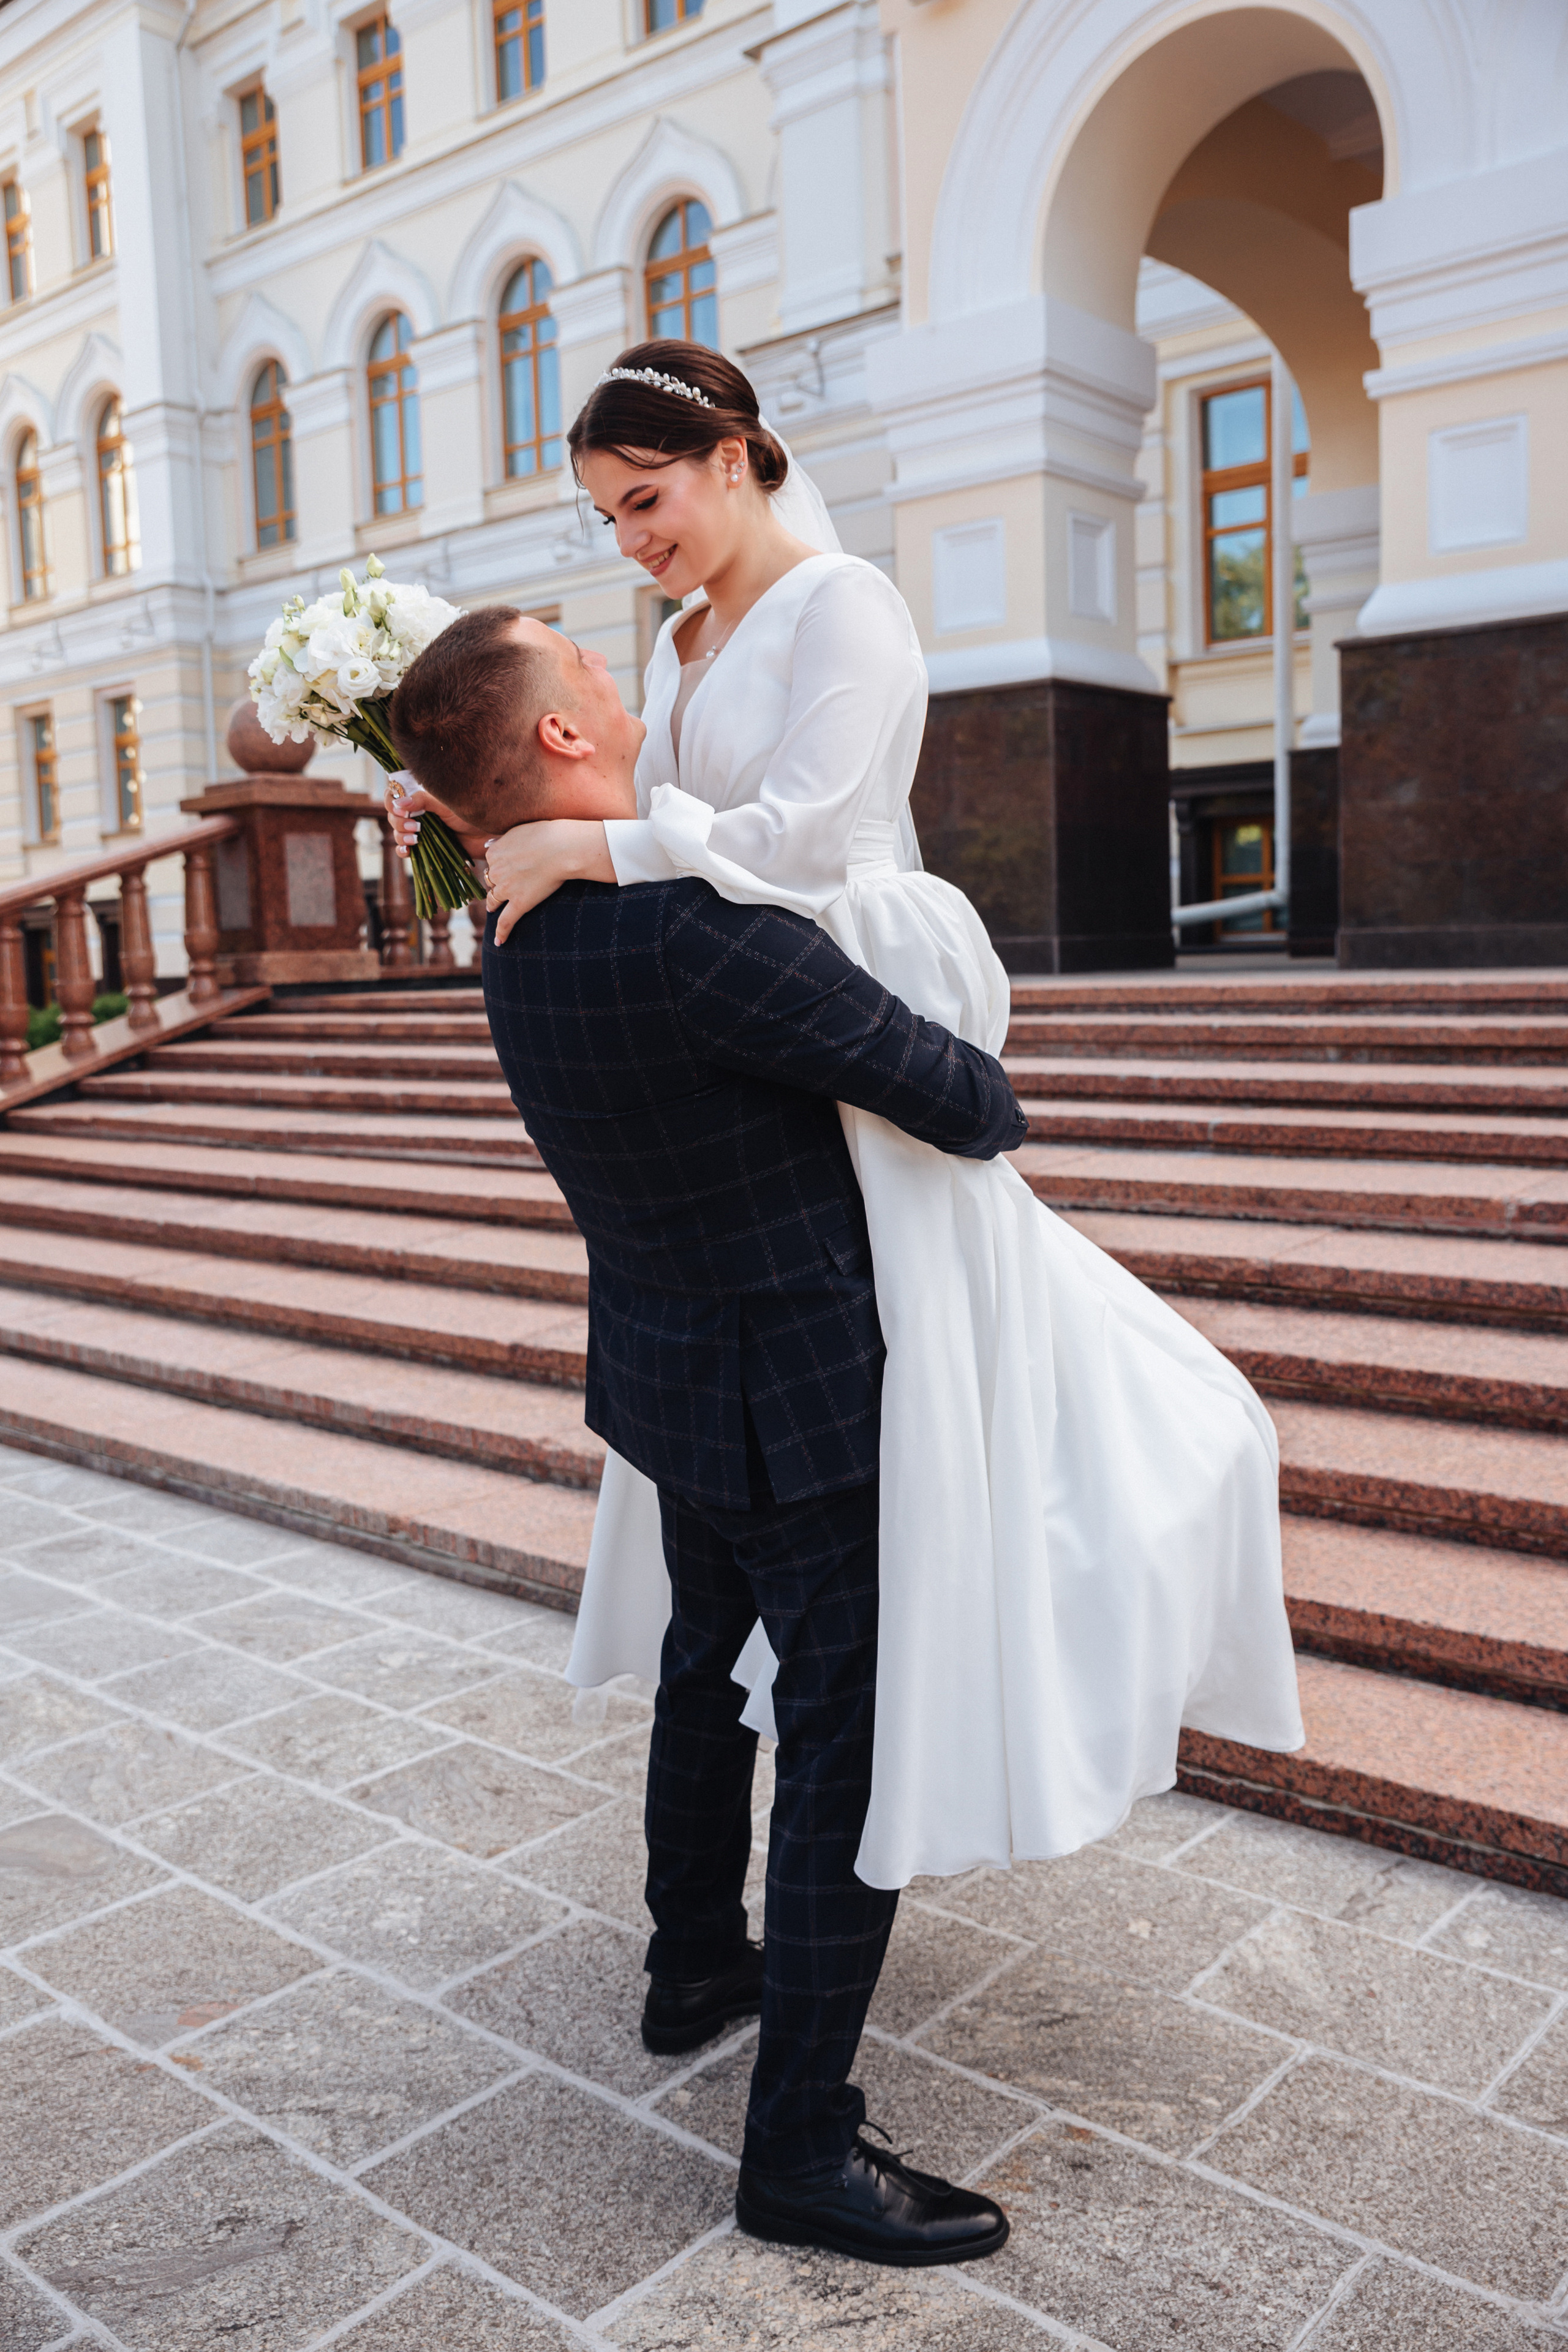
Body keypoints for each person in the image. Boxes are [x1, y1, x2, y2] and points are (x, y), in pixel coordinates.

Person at [388, 339, 1304, 1897]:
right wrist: (496, 816)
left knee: (959, 1327)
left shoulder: (845, 606)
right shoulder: (678, 645)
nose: (632, 539)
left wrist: (590, 855)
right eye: (609, 516)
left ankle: (992, 1631)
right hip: (737, 997)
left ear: (736, 458)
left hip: (844, 955)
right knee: (815, 1439)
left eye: (646, 497)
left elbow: (802, 834)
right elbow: (626, 804)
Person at [388, 605, 1016, 2266]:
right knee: (842, 1755)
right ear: (570, 745)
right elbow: (971, 1101)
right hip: (806, 1402)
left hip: (669, 1380)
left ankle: (691, 1965)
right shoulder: (696, 937)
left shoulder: (510, 926)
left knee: (697, 1667)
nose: (619, 668)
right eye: (585, 667)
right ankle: (801, 2151)